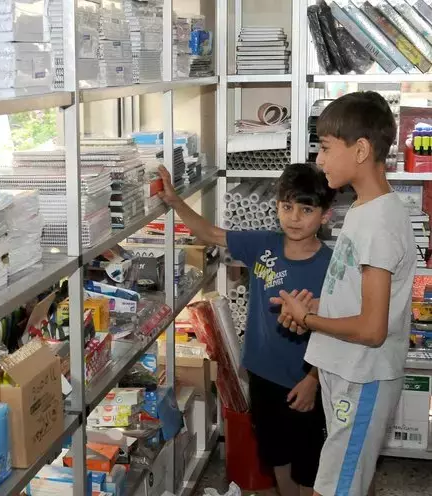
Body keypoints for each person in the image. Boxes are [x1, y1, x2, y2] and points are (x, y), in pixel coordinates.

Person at [157, 162, 336, 496]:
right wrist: (176, 201)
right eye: (286, 207)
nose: (294, 217)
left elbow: (335, 332)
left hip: (307, 380)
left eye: (306, 209)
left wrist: (313, 379)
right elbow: (210, 234)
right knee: (275, 453)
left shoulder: (331, 265)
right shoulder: (263, 245)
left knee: (309, 462)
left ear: (325, 215)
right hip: (263, 375)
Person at [273, 91, 417, 496]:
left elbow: (373, 329)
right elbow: (361, 300)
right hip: (344, 369)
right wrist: (315, 307)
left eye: (325, 147)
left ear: (361, 150)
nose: (319, 159)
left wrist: (309, 320)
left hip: (363, 376)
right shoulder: (362, 208)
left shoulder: (380, 223)